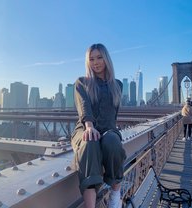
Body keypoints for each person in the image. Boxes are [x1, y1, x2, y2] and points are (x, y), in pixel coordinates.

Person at [71, 43, 126, 208]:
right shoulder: (82, 82)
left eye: (99, 57)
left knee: (112, 143)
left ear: (106, 58)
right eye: (92, 59)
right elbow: (84, 107)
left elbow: (112, 116)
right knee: (90, 143)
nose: (96, 62)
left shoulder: (117, 85)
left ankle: (115, 198)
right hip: (85, 129)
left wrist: (109, 133)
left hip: (108, 129)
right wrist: (89, 126)